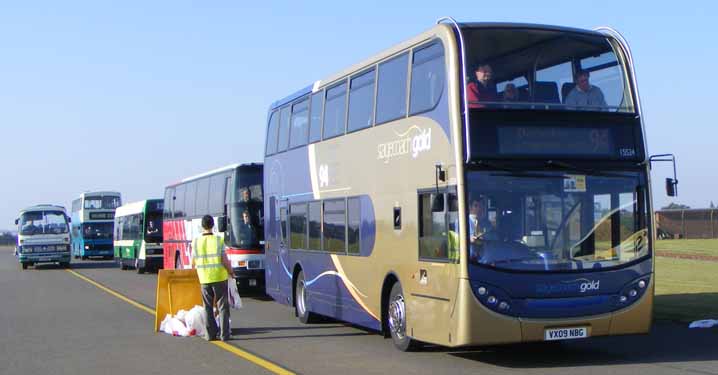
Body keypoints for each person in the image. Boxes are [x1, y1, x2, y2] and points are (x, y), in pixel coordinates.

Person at [191, 215, 236, 341]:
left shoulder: (196, 242)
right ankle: (224, 335)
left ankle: (210, 334)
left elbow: (193, 262)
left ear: (202, 226)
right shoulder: (218, 240)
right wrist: (231, 271)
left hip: (204, 278)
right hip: (219, 277)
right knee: (222, 307)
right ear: (213, 225)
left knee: (207, 307)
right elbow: (224, 260)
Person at [468, 197, 494, 261]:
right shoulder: (461, 222)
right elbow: (457, 239)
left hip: (486, 259)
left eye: (481, 206)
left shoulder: (487, 224)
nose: (479, 208)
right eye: (476, 206)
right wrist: (468, 239)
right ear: (470, 207)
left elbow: (494, 237)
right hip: (469, 260)